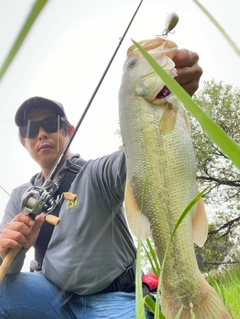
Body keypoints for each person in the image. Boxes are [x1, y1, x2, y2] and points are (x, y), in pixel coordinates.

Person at [0, 49, 202, 319]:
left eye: (50, 123)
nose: (41, 133)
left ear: (68, 131)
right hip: (51, 299)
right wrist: (9, 249)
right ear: (23, 142)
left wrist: (166, 95)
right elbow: (7, 271)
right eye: (29, 130)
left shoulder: (97, 173)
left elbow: (143, 153)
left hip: (114, 299)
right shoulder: (19, 197)